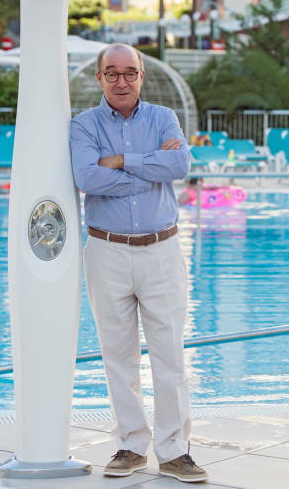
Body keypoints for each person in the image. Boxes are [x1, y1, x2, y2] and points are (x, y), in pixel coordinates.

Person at [70, 43, 207, 483]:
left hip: (161, 250)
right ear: (99, 79)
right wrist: (149, 170)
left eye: (129, 72)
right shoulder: (83, 124)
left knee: (169, 355)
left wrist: (123, 161)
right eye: (112, 73)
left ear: (142, 75)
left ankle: (174, 452)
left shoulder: (164, 118)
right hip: (106, 251)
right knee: (118, 356)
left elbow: (181, 164)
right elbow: (86, 176)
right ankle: (130, 445)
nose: (121, 81)